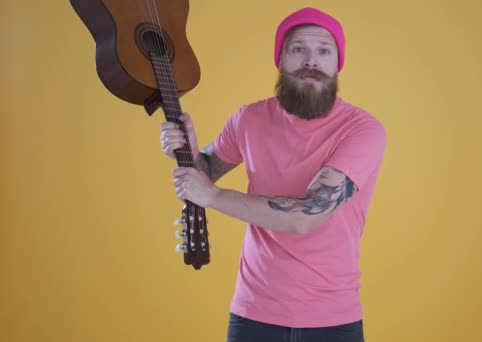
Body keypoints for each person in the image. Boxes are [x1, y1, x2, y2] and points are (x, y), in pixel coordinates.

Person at [160, 7, 386, 342]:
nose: (311, 61)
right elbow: (204, 173)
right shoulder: (248, 119)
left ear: (337, 64)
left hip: (332, 319)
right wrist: (190, 152)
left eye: (324, 51)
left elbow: (306, 216)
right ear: (280, 59)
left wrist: (212, 197)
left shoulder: (362, 130)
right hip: (253, 313)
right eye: (298, 49)